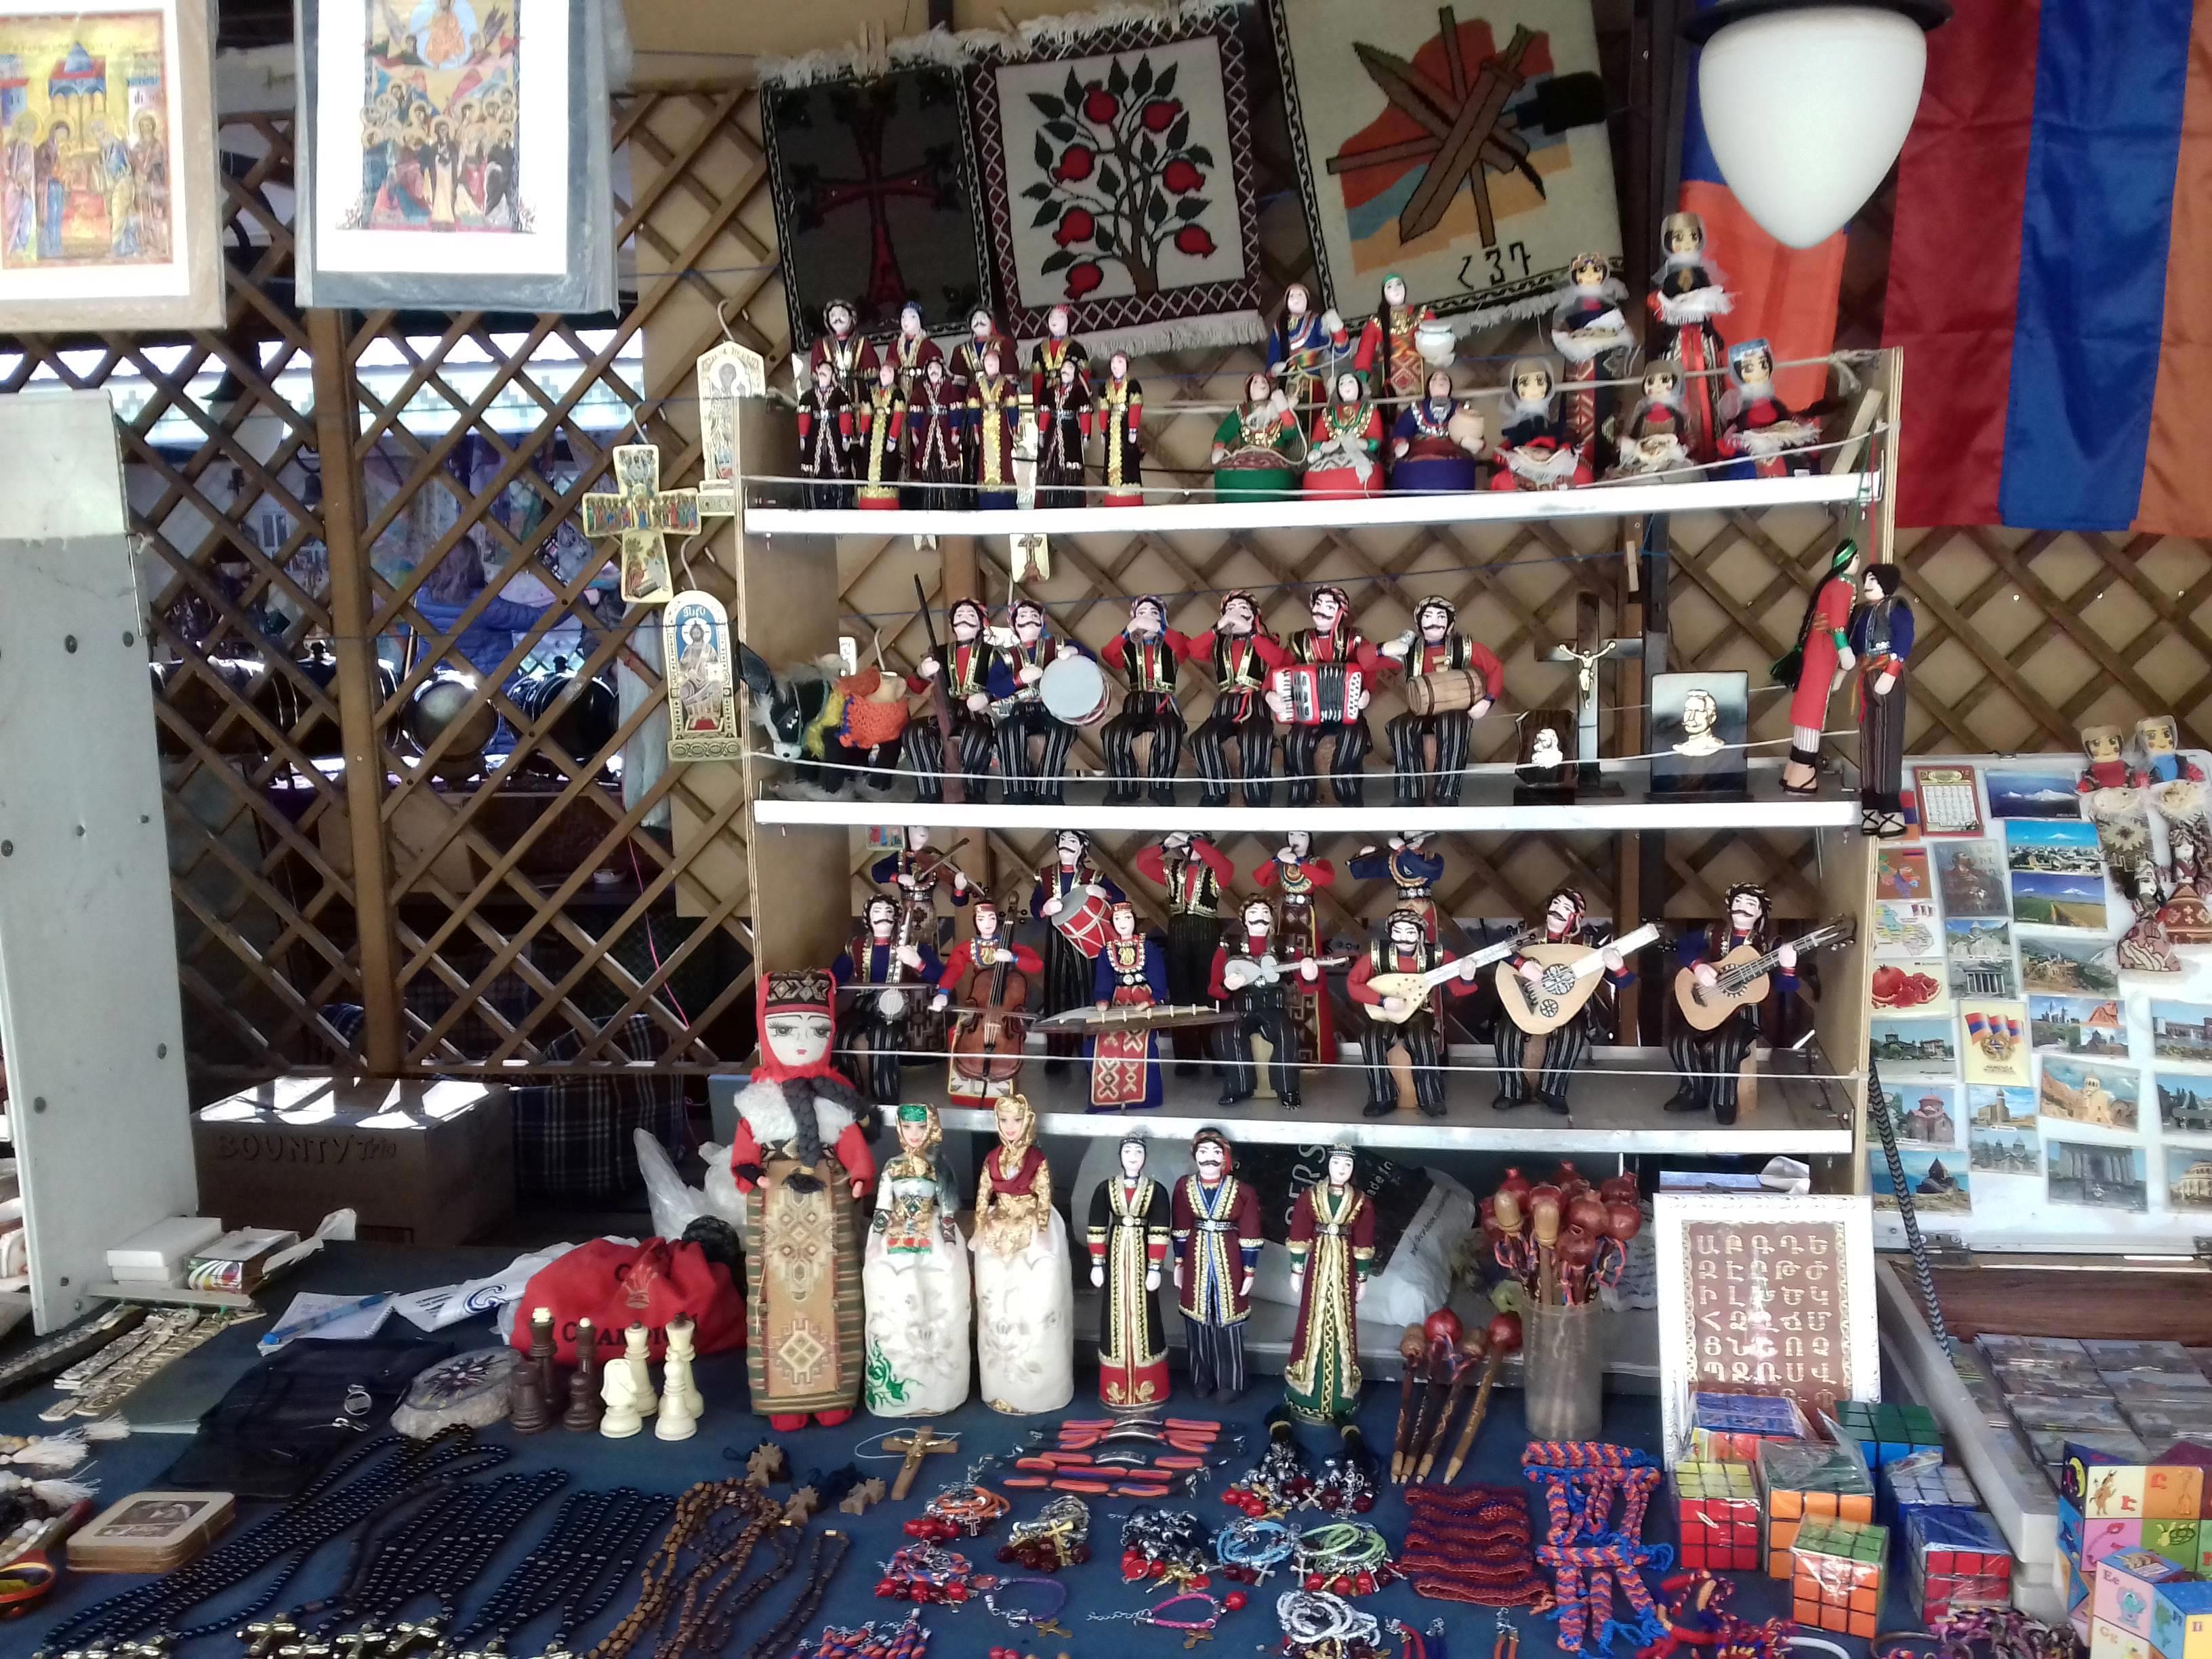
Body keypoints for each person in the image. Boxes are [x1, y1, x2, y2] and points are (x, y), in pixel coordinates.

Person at [725, 970, 878, 1430]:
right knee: (773, 1298)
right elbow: (744, 1152)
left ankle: (834, 1392)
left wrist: (860, 1175)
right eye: (784, 1030)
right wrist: (749, 1172)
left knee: (835, 1294)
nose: (800, 1042)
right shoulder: (758, 1101)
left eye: (816, 1030)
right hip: (774, 1209)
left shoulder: (836, 1100)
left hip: (828, 1205)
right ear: (764, 1031)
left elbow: (852, 1145)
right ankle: (785, 1399)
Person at [863, 1103, 972, 1417]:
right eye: (908, 1127)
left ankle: (940, 1390)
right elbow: (883, 1206)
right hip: (896, 1236)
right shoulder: (893, 1166)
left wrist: (949, 1241)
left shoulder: (940, 1166)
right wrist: (876, 1238)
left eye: (921, 1127)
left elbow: (948, 1209)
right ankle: (898, 1390)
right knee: (894, 1307)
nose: (914, 1134)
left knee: (939, 1305)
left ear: (931, 1129)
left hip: (931, 1234)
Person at [972, 1093, 1074, 1414]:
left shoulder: (1036, 1160)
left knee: (1037, 1305)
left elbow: (1044, 1195)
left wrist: (1041, 1228)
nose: (1011, 1127)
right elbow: (983, 1195)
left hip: (1030, 1228)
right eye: (1004, 1120)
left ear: (1027, 1121)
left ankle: (1039, 1390)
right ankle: (1001, 1387)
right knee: (996, 1304)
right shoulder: (992, 1158)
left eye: (1017, 1120)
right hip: (997, 1229)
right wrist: (979, 1226)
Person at [1494, 886, 1631, 1114]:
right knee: (1505, 1031)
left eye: (1566, 907)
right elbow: (1496, 949)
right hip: (1524, 1001)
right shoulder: (1529, 936)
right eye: (1555, 904)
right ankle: (1511, 1091)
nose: (1557, 910)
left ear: (1576, 917)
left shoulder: (1585, 946)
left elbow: (1623, 982)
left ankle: (1553, 1091)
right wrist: (1520, 963)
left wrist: (1618, 967)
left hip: (1567, 1009)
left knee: (1573, 1032)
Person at [1666, 882, 1795, 1124]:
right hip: (1710, 1006)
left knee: (1727, 1045)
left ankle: (1724, 1101)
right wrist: (1698, 966)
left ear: (1760, 913)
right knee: (1679, 1040)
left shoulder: (1770, 945)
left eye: (1750, 904)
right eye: (1738, 902)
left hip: (1746, 1015)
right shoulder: (1713, 933)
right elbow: (1683, 946)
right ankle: (1694, 1092)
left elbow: (1783, 988)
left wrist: (1788, 968)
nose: (1742, 907)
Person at [1348, 907, 1481, 1118]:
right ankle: (1381, 1097)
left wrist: (1467, 978)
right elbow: (1353, 984)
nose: (1403, 938)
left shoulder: (1437, 956)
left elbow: (1457, 989)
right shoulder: (1376, 955)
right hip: (1384, 1012)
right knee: (1371, 1038)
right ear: (1390, 933)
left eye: (1410, 932)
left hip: (1419, 1011)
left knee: (1422, 1038)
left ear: (1420, 934)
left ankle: (1431, 1098)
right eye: (1397, 932)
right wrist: (1383, 1001)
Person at [1381, 595, 1503, 806]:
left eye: (1441, 617)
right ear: (1419, 623)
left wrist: (1487, 701)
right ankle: (1409, 794)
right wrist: (1383, 649)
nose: (1434, 622)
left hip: (1454, 709)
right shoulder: (1409, 649)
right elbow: (1369, 662)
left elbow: (1495, 668)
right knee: (1399, 727)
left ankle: (1447, 794)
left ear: (1450, 623)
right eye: (1428, 616)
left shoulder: (1463, 646)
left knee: (1454, 725)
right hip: (1420, 710)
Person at [1284, 1143, 1376, 1425]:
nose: (1341, 1169)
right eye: (1337, 1163)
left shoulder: (1361, 1201)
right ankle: (1305, 1389)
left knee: (1343, 1322)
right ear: (1328, 1165)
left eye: (1347, 1165)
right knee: (1310, 1320)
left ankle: (1341, 1392)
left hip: (1344, 1268)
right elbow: (1300, 1232)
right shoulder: (1311, 1196)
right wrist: (1297, 1269)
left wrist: (1362, 1277)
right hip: (1318, 1267)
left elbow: (1364, 1240)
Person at [1170, 1128, 1263, 1402]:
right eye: (1203, 1152)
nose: (1209, 1158)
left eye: (1215, 1152)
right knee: (1196, 1321)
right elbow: (1181, 1227)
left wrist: (1249, 1270)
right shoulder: (1184, 1187)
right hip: (1196, 1259)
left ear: (1225, 1158)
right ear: (1194, 1156)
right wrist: (1179, 1263)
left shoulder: (1243, 1191)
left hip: (1229, 1259)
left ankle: (1232, 1382)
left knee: (1228, 1323)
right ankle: (1201, 1378)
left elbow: (1250, 1233)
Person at [1134, 831, 1235, 1070]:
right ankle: (1187, 1058)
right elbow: (1143, 863)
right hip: (1178, 928)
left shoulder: (1215, 870)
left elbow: (1226, 866)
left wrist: (1192, 840)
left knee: (1208, 989)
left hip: (1205, 928)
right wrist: (1165, 845)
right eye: (1188, 842)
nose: (1192, 846)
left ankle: (1216, 1054)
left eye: (1198, 840)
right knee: (1181, 994)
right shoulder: (1173, 868)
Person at [1275, 585, 1383, 807]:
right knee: (1296, 743)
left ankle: (1349, 796)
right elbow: (1280, 668)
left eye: (1329, 606)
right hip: (1308, 714)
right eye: (1318, 604)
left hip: (1348, 714)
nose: (1321, 610)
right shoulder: (1298, 641)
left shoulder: (1354, 640)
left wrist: (1367, 692)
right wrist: (1270, 694)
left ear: (1341, 612)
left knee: (1352, 740)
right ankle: (1301, 796)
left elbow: (1369, 666)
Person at [1210, 897, 1319, 1110]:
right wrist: (1227, 986)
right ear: (1244, 919)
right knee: (1225, 1034)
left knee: (1287, 1033)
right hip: (1239, 1007)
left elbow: (1307, 987)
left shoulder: (1285, 947)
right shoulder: (1229, 946)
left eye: (1265, 913)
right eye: (1253, 912)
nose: (1259, 917)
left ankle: (1288, 1089)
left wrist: (1309, 974)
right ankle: (1239, 1087)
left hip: (1273, 1007)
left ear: (1272, 919)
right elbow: (1214, 987)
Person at [832, 893, 940, 1109]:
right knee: (841, 1035)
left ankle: (884, 1098)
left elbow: (940, 976)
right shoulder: (855, 946)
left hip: (899, 1005)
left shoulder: (913, 945)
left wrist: (918, 963)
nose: (883, 916)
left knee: (884, 1038)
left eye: (889, 911)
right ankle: (849, 1094)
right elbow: (835, 977)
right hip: (864, 1002)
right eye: (877, 911)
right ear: (868, 918)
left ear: (896, 918)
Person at [1086, 1133, 1170, 1408]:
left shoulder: (1156, 1190)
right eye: (1128, 1152)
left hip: (1141, 1255)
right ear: (1120, 1156)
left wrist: (1155, 1267)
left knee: (1147, 1312)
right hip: (1116, 1255)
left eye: (1138, 1152)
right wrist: (1097, 1262)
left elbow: (1160, 1230)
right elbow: (1097, 1227)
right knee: (1113, 1312)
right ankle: (1117, 1387)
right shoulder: (1106, 1188)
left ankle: (1149, 1386)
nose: (1133, 1157)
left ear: (1145, 1157)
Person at [933, 898, 1043, 1105]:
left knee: (1015, 1036)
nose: (987, 923)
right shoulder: (968, 947)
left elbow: (1037, 965)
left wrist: (1013, 958)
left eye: (992, 918)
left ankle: (1003, 1091)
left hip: (1006, 1006)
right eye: (982, 919)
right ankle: (963, 1090)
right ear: (975, 922)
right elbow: (955, 968)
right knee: (955, 1032)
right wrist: (943, 992)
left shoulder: (1010, 945)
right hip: (980, 1004)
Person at [1185, 589, 1287, 807]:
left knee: (1255, 738)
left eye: (1243, 608)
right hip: (1225, 702)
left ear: (1254, 614)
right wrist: (1217, 628)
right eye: (1231, 609)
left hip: (1255, 701)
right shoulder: (1219, 643)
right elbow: (1192, 650)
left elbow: (1278, 660)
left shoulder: (1266, 639)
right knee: (1201, 738)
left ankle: (1256, 795)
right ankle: (1217, 792)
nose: (1236, 612)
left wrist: (1251, 632)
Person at [1774, 539, 1860, 794]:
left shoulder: (1830, 584)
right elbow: (1838, 624)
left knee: (1807, 707)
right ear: (1847, 561)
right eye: (1856, 558)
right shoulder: (1844, 585)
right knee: (1815, 709)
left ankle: (1796, 766)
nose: (1858, 563)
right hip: (1825, 650)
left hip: (1816, 648)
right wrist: (1844, 650)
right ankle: (1803, 769)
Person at [1033, 830, 1124, 1071]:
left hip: (1087, 942)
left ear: (1082, 848)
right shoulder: (1044, 875)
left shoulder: (1094, 876)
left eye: (1072, 841)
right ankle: (1058, 1055)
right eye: (1063, 840)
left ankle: (1089, 1052)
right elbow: (1034, 907)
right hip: (1056, 937)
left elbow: (1120, 897)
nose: (1066, 844)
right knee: (1056, 993)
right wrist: (1044, 910)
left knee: (1086, 993)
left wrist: (1103, 893)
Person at [1647, 211, 1732, 461]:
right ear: (1669, 243)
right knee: (1676, 387)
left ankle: (1712, 443)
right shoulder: (1669, 275)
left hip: (1702, 339)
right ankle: (1683, 444)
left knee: (1709, 386)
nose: (1686, 244)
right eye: (1679, 238)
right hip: (1677, 341)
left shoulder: (1702, 272)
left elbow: (1712, 301)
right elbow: (1661, 306)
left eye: (1692, 237)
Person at [1254, 832, 1338, 1073]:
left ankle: (1314, 1053)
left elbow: (1325, 879)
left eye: (1301, 834)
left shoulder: (1317, 862)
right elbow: (1259, 878)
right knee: (1283, 975)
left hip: (1307, 921)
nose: (1296, 837)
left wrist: (1299, 862)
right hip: (1284, 920)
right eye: (1291, 833)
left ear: (1310, 838)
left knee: (1309, 972)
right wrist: (1275, 859)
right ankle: (1286, 1048)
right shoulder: (1282, 863)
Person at [990, 596, 1088, 804]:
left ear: (1043, 621)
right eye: (1023, 615)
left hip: (1053, 707)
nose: (1029, 618)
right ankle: (1017, 791)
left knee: (1063, 730)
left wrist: (1074, 652)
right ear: (1014, 624)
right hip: (1021, 708)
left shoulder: (1058, 645)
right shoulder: (1007, 655)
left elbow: (1091, 658)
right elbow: (995, 688)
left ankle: (1048, 791)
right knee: (1007, 730)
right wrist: (1018, 679)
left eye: (1034, 615)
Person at [907, 596, 997, 802]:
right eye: (959, 614)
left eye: (971, 614)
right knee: (914, 732)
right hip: (945, 709)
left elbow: (1004, 685)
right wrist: (922, 671)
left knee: (976, 736)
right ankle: (929, 790)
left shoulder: (992, 653)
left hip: (977, 712)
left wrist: (987, 697)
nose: (964, 617)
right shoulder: (939, 652)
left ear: (981, 623)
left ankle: (973, 791)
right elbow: (914, 686)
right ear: (952, 623)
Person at [1101, 595, 1189, 804]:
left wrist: (1161, 629)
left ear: (1162, 617)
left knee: (1170, 730)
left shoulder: (1173, 639)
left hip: (1164, 701)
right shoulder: (1128, 644)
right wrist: (1127, 632)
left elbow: (1186, 649)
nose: (1147, 617)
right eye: (1141, 613)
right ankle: (1124, 787)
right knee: (1113, 731)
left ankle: (1161, 787)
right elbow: (1109, 656)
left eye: (1154, 613)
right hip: (1135, 701)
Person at [1849, 562, 1914, 838]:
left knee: (1888, 741)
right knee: (1868, 741)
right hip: (1866, 676)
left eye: (1874, 580)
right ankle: (1871, 806)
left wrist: (1892, 671)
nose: (1868, 585)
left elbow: (1904, 639)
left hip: (1887, 675)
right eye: (1866, 579)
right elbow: (1854, 644)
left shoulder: (1895, 608)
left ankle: (1890, 810)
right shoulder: (1863, 612)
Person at [1089, 902, 1169, 1111]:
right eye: (1117, 919)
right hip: (1117, 1002)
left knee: (1141, 1044)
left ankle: (1144, 1098)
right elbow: (1104, 979)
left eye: (1127, 918)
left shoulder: (1148, 947)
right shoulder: (1107, 950)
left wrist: (1152, 999)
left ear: (1135, 920)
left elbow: (1158, 977)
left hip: (1143, 1000)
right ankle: (1110, 1098)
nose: (1123, 923)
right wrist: (1103, 999)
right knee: (1104, 1043)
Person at [1389, 369, 1483, 495]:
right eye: (1435, 379)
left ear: (1450, 386)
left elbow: (1475, 431)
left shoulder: (1461, 409)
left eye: (1444, 379)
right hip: (1419, 452)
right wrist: (1400, 443)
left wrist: (1473, 442)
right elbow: (1402, 429)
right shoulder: (1416, 408)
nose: (1440, 381)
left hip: (1453, 452)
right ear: (1429, 387)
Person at [1211, 371, 1303, 499]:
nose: (1261, 383)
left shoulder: (1277, 408)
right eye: (1256, 382)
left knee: (1282, 477)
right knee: (1226, 473)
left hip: (1275, 457)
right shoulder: (1242, 411)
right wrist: (1218, 448)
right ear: (1249, 390)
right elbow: (1225, 431)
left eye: (1264, 381)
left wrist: (1284, 409)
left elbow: (1290, 433)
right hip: (1245, 455)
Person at [1267, 281, 1347, 415]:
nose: (1296, 298)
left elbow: (1339, 351)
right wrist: (1274, 370)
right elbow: (1272, 361)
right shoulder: (1279, 326)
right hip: (1288, 385)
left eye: (1300, 294)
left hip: (1313, 383)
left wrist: (1338, 329)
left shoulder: (1316, 321)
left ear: (1307, 300)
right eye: (1292, 295)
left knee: (1315, 418)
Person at [1349, 832, 1445, 940]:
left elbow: (1427, 871)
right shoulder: (1394, 861)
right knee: (1401, 937)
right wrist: (1362, 858)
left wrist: (1403, 851)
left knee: (1425, 938)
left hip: (1423, 907)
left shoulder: (1432, 858)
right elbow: (1361, 872)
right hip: (1402, 907)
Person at [1304, 371, 1384, 499]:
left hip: (1361, 455)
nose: (1346, 385)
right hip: (1330, 456)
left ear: (1359, 387)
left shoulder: (1371, 412)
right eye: (1341, 383)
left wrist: (1357, 443)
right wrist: (1326, 446)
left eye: (1351, 381)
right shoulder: (1328, 414)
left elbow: (1375, 442)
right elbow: (1316, 441)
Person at [904, 356, 966, 512]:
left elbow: (956, 411)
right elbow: (916, 412)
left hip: (946, 433)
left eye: (937, 369)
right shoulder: (920, 390)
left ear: (942, 371)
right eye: (931, 368)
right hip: (928, 435)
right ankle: (930, 511)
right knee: (930, 477)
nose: (934, 371)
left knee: (950, 473)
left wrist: (955, 431)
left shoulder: (950, 387)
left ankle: (953, 510)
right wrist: (915, 432)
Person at [966, 344, 1023, 510]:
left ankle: (1006, 498)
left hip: (1001, 425)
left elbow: (1012, 406)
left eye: (995, 361)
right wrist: (975, 429)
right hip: (984, 425)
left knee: (1004, 460)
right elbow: (973, 407)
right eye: (988, 361)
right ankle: (987, 499)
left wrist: (1014, 430)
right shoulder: (977, 385)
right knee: (983, 462)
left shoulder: (1006, 384)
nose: (991, 364)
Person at [796, 360, 857, 509]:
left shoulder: (840, 395)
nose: (823, 373)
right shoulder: (808, 396)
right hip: (814, 439)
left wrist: (845, 436)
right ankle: (812, 508)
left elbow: (845, 416)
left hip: (835, 438)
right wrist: (803, 436)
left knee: (839, 473)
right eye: (821, 370)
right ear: (817, 373)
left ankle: (840, 507)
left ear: (832, 375)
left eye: (828, 370)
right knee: (812, 474)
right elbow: (804, 417)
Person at [870, 826, 971, 911]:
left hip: (928, 911)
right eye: (915, 826)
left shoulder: (933, 857)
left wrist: (959, 888)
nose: (922, 831)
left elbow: (959, 902)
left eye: (926, 827)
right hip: (906, 908)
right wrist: (898, 877)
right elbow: (876, 872)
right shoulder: (902, 857)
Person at [1034, 356, 1090, 509]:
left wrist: (1086, 435)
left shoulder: (1079, 391)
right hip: (1052, 431)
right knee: (1049, 469)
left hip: (1070, 432)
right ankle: (1048, 504)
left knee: (1071, 470)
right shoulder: (1051, 390)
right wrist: (1041, 432)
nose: (1066, 370)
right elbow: (1045, 412)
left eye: (1070, 368)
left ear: (1075, 373)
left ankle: (1070, 504)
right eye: (1064, 367)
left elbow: (1085, 413)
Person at [854, 360, 907, 510]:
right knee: (866, 463)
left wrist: (893, 437)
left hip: (887, 433)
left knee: (888, 464)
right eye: (882, 371)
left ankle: (886, 499)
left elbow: (898, 416)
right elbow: (866, 413)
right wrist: (863, 432)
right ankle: (867, 498)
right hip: (872, 434)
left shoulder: (897, 393)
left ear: (893, 375)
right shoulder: (872, 392)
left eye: (888, 372)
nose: (884, 374)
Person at [1097, 351, 1146, 507]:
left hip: (1125, 425)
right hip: (1112, 427)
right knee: (1110, 460)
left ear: (1126, 365)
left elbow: (1136, 407)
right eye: (1113, 362)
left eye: (1119, 362)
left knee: (1128, 458)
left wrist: (1133, 429)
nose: (1115, 366)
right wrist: (1103, 429)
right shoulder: (1105, 386)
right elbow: (1103, 409)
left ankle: (1130, 495)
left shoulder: (1133, 385)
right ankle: (1112, 494)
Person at [808, 298, 879, 405]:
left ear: (852, 318)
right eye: (833, 315)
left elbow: (872, 374)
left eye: (843, 315)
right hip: (831, 396)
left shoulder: (862, 342)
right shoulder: (821, 345)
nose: (837, 318)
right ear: (828, 320)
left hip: (858, 393)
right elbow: (816, 377)